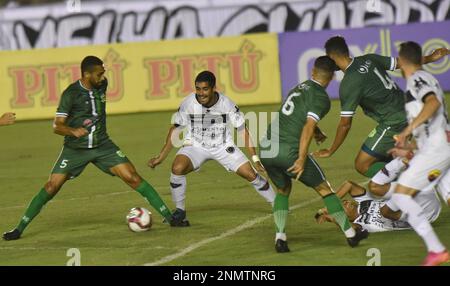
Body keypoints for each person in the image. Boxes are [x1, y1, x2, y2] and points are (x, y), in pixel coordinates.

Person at [3, 56, 185, 241]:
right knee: (52, 186)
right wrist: (73, 131)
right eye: (98, 74)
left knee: (133, 177)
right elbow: (57, 126)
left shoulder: (101, 84)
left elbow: (98, 94)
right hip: (75, 149)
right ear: (86, 74)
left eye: (103, 73)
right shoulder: (71, 94)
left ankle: (170, 218)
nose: (102, 77)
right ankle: (18, 229)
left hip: (103, 146)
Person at [260, 56, 368, 253]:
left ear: (312, 72)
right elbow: (308, 126)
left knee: (283, 191)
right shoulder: (322, 99)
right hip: (289, 151)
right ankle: (351, 235)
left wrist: (317, 132)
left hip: (267, 148)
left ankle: (280, 238)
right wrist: (301, 158)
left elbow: (296, 116)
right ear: (332, 77)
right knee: (325, 189)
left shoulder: (299, 87)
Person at [148, 70, 276, 225]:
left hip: (223, 146)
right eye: (198, 89)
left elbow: (242, 130)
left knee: (250, 174)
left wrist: (255, 158)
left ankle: (277, 203)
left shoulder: (226, 104)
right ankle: (180, 211)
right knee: (177, 168)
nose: (201, 93)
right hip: (195, 145)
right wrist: (161, 157)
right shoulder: (188, 103)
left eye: (205, 89)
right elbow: (175, 129)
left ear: (214, 88)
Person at [315, 36, 449, 179]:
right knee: (388, 158)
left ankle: (410, 183)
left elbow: (345, 125)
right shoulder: (369, 59)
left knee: (362, 164)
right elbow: (402, 63)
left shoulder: (349, 83)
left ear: (332, 57)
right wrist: (431, 57)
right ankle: (408, 179)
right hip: (409, 112)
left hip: (393, 122)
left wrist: (331, 150)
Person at [388, 41, 450, 266]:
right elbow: (433, 124)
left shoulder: (417, 79)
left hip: (437, 149)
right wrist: (409, 147)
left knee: (401, 195)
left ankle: (436, 250)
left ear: (401, 60)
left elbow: (431, 103)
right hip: (439, 145)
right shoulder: (423, 78)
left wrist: (405, 132)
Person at [315, 180, 441, 233]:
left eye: (344, 201)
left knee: (377, 187)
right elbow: (351, 229)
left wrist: (331, 204)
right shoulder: (363, 225)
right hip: (421, 217)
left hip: (423, 199)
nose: (346, 202)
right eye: (342, 206)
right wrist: (332, 217)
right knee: (385, 211)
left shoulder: (363, 202)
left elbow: (349, 184)